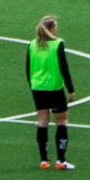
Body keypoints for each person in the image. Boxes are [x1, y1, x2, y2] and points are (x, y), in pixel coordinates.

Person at [27, 16, 75, 168]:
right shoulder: (57, 44)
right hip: (54, 88)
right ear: (51, 29)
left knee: (42, 122)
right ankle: (61, 160)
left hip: (38, 88)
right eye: (56, 26)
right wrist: (71, 89)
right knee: (61, 122)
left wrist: (33, 85)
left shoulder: (33, 44)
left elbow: (27, 69)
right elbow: (64, 68)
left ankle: (43, 160)